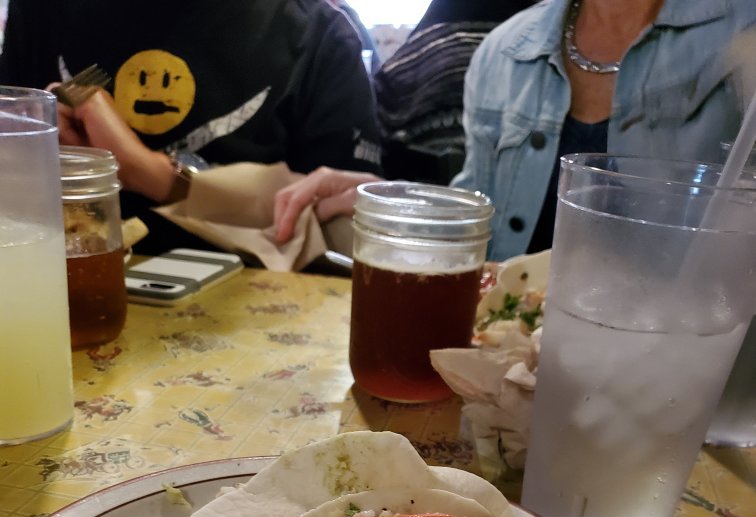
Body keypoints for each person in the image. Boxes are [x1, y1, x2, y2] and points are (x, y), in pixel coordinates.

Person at [274, 0, 756, 258]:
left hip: (691, 383)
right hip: (515, 373)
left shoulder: (743, 35)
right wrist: (392, 202)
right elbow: (481, 228)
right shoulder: (505, 51)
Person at [0, 0, 383, 253]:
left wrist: (143, 170)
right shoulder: (41, 14)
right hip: (60, 296)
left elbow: (333, 227)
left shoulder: (317, 31)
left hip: (253, 310)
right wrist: (30, 149)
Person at [374, 1, 533, 182]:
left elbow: (377, 129)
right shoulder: (537, 45)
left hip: (425, 189)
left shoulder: (419, 53)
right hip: (523, 184)